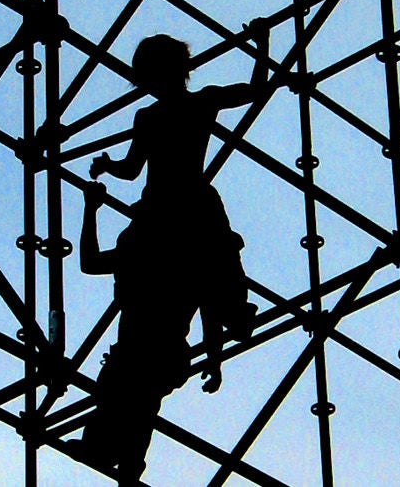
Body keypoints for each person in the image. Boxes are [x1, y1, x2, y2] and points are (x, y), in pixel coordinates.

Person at [89, 26, 272, 368]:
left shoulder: (152, 115)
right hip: (190, 205)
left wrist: (108, 166)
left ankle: (197, 333)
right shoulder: (199, 103)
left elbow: (130, 170)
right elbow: (255, 91)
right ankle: (224, 322)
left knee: (175, 281)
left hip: (162, 210)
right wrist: (262, 43)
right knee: (209, 275)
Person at [74, 180, 200, 484]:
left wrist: (90, 209)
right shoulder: (180, 256)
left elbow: (90, 262)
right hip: (160, 352)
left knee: (128, 400)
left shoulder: (144, 252)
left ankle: (121, 459)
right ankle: (124, 460)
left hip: (147, 350)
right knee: (136, 403)